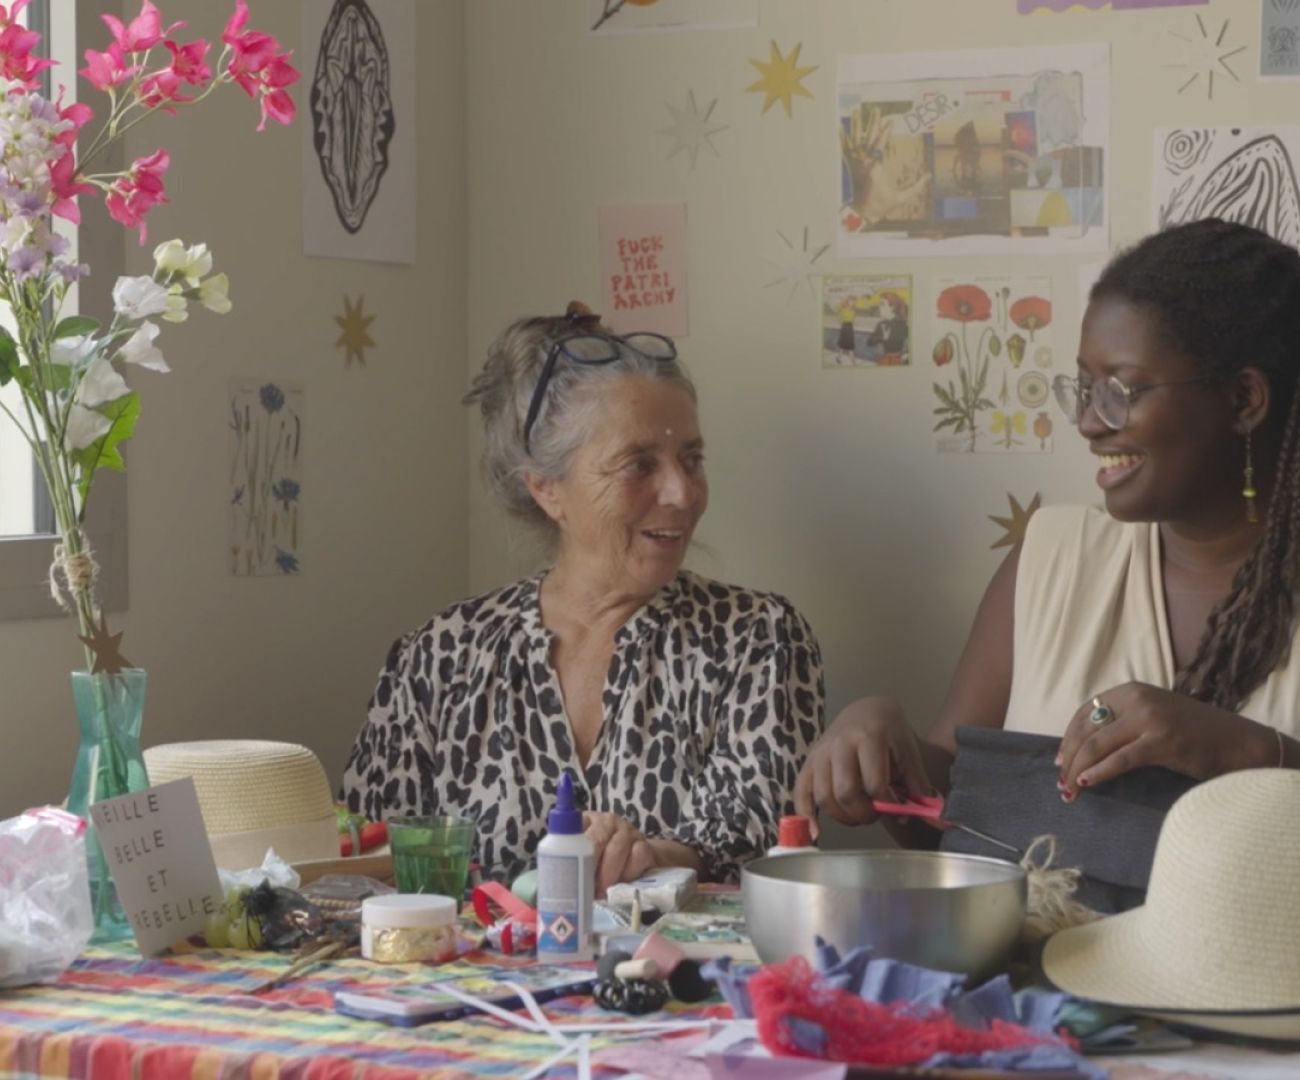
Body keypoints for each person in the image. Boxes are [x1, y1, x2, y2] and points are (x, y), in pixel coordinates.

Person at [797, 218, 1300, 843]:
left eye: (1119, 389)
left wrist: (1248, 752)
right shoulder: (1048, 559)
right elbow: (956, 816)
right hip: (1038, 945)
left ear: (1245, 399)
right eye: (1083, 389)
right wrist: (882, 744)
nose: (1089, 422)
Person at [342, 302, 824, 893]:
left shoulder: (758, 638)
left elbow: (763, 851)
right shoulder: (439, 656)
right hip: (464, 981)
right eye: (638, 464)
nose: (681, 492)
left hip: (677, 979)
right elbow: (364, 863)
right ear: (546, 489)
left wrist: (648, 856)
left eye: (691, 459)